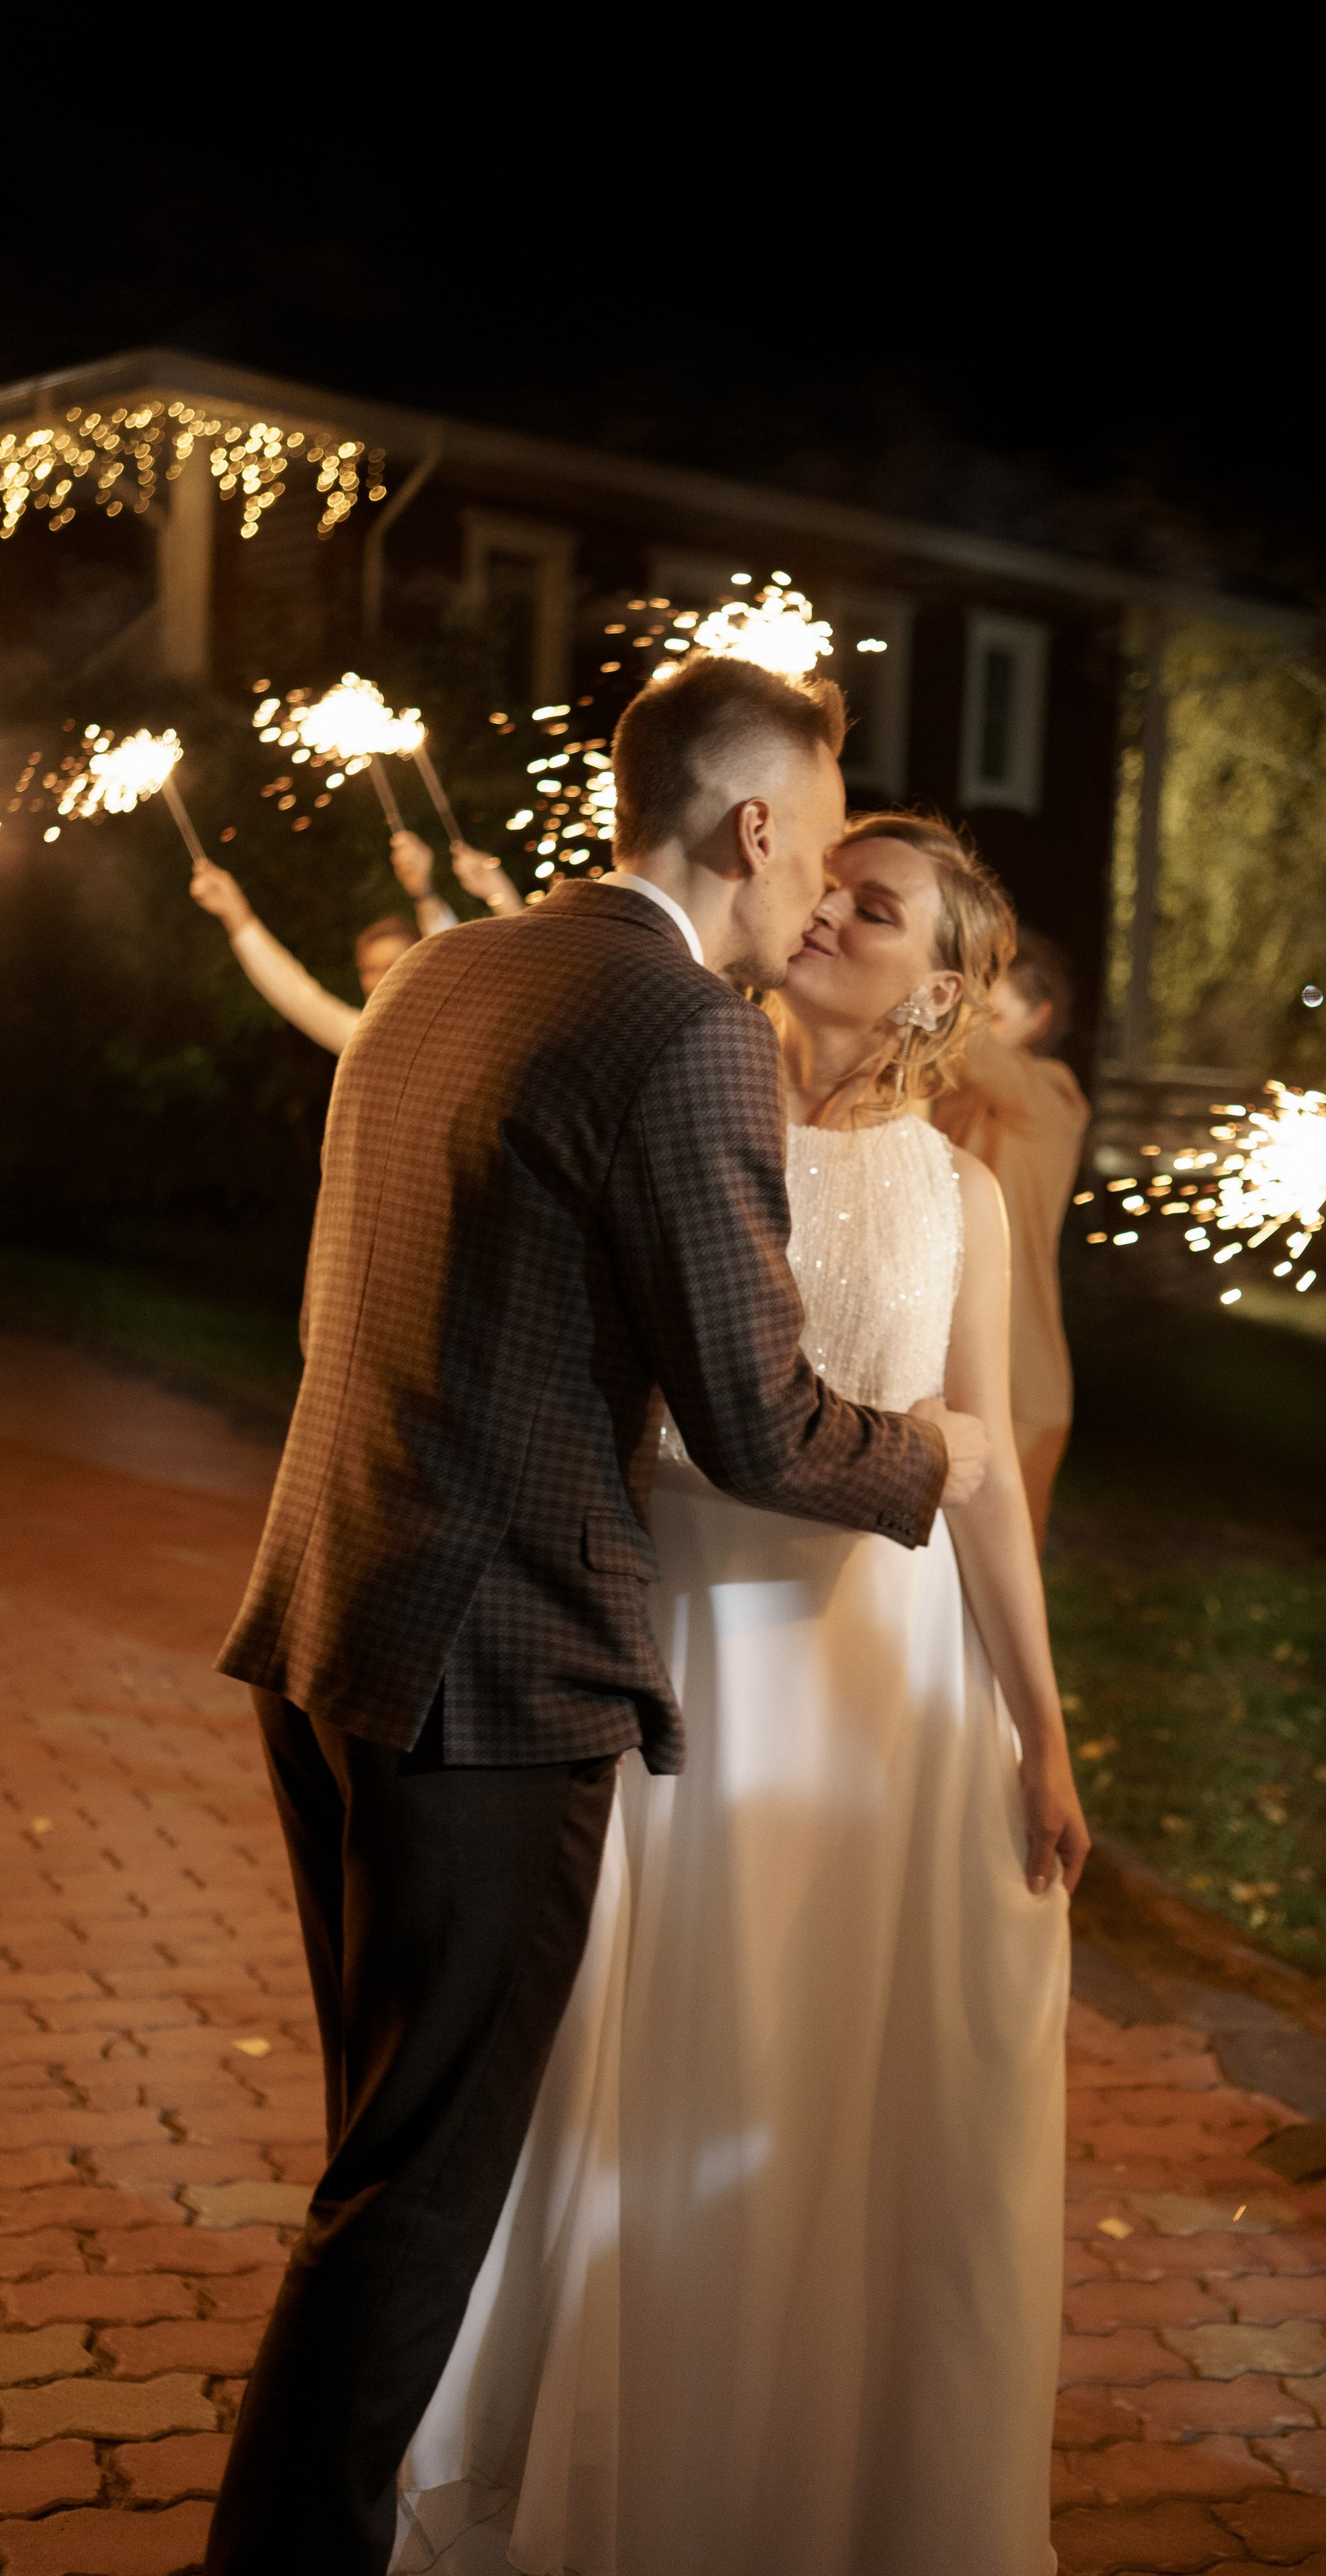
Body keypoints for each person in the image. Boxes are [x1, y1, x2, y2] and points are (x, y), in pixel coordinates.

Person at [202, 653, 990, 2576]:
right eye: (815, 829)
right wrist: (939, 1461)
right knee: (417, 2197)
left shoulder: (449, 969)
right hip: (491, 1674)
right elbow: (763, 1418)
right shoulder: (684, 1031)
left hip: (329, 1617)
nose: (819, 880)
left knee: (382, 2153)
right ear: (748, 825)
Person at [394, 808, 1085, 2576]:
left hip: (892, 1689)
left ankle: (808, 2500)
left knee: (831, 2078)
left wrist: (1041, 1731)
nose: (833, 911)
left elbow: (984, 1469)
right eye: (831, 881)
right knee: (647, 2055)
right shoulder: (688, 1106)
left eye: (882, 908)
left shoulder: (957, 1190)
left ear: (946, 985)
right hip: (680, 1639)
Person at [937, 922, 1090, 1545]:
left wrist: (934, 982)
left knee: (1000, 1566)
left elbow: (988, 1063)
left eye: (992, 1016)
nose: (973, 1027)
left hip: (1016, 1373)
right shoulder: (943, 1094)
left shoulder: (1053, 1096)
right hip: (939, 1362)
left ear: (1038, 1021)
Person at [187, 828, 461, 1053]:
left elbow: (452, 959)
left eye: (393, 966)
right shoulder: (365, 1042)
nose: (380, 981)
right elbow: (297, 994)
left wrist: (423, 892)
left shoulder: (457, 1022)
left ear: (422, 971)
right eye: (371, 970)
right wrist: (235, 912)